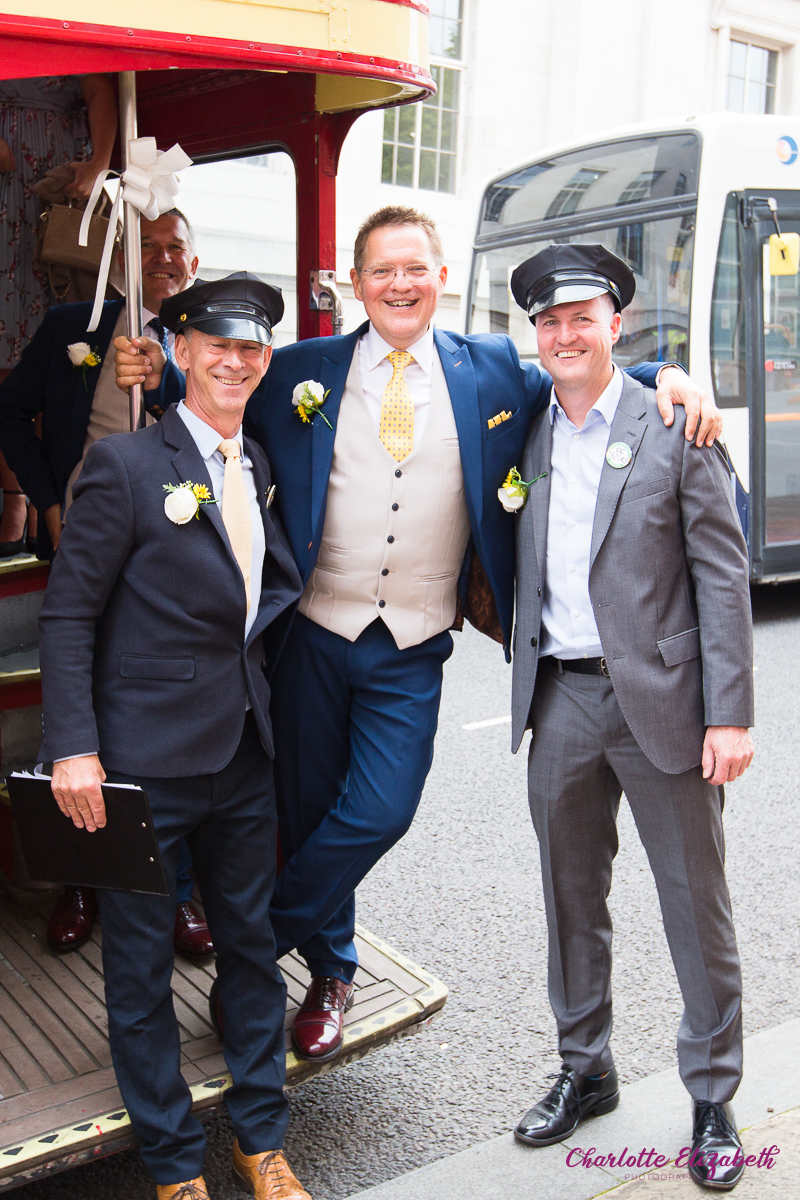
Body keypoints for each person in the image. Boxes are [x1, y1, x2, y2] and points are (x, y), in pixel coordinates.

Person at [115, 206, 722, 1065]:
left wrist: (671, 374)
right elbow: (219, 381)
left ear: (440, 278)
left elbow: (586, 368)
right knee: (312, 810)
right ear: (355, 284)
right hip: (315, 636)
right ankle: (332, 970)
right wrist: (157, 368)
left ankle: (255, 947)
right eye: (381, 270)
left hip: (413, 641)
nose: (400, 283)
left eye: (416, 268)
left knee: (378, 812)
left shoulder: (492, 373)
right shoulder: (302, 370)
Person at [38, 274, 310, 1200]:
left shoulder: (260, 464)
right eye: (217, 345)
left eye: (252, 349)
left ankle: (262, 1143)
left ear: (265, 362)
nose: (236, 361)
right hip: (140, 762)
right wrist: (74, 748)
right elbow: (69, 616)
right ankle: (172, 1166)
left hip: (242, 754)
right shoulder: (123, 467)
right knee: (141, 974)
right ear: (180, 353)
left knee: (250, 949)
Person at [507, 245, 753, 1191]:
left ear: (617, 324)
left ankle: (713, 1093)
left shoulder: (672, 424)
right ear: (535, 334)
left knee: (696, 900)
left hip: (666, 702)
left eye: (583, 317)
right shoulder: (523, 429)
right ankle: (586, 1067)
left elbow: (723, 577)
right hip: (560, 695)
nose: (565, 334)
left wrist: (728, 713)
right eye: (549, 321)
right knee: (571, 896)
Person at [0, 208, 212, 959]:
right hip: (84, 555)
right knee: (77, 718)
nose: (161, 258)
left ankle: (176, 890)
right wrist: (49, 500)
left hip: (174, 566)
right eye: (146, 246)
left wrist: (167, 381)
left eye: (173, 247)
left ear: (194, 259)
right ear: (118, 255)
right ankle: (80, 882)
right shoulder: (70, 325)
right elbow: (8, 412)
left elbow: (229, 419)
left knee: (167, 725)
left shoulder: (206, 332)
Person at [0, 73, 117, 552]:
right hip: (7, 186)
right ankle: (14, 500)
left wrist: (98, 164)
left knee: (65, 353)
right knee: (8, 340)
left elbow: (99, 92)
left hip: (62, 180)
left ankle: (42, 498)